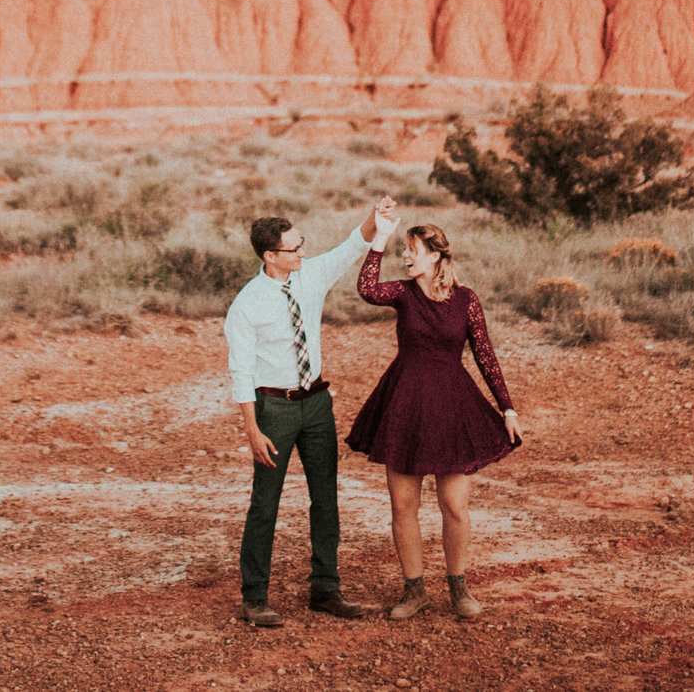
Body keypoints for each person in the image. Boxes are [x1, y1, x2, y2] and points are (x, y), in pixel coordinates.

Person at [223, 195, 397, 628]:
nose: (302, 253)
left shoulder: (310, 274)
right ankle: (255, 597)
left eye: (302, 244)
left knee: (326, 497)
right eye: (293, 248)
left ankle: (325, 588)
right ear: (270, 256)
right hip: (274, 409)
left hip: (317, 403)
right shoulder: (247, 304)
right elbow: (240, 370)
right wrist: (252, 429)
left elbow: (354, 244)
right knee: (266, 503)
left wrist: (376, 219)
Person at [345, 220, 525, 619]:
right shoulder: (403, 294)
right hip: (404, 402)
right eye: (403, 250)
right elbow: (367, 290)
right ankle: (414, 590)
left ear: (436, 255)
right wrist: (381, 238)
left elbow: (485, 355)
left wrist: (507, 408)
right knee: (402, 505)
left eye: (412, 250)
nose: (405, 257)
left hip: (450, 404)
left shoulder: (465, 300)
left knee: (454, 506)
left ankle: (458, 587)